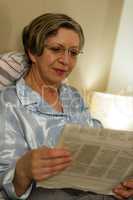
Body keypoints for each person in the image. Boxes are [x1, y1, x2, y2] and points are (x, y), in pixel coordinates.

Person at [0, 13, 133, 200]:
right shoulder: (9, 103)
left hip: (90, 189)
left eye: (73, 53)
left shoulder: (74, 96)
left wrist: (122, 180)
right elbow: (7, 187)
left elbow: (98, 142)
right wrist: (24, 170)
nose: (66, 61)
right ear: (32, 52)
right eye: (56, 49)